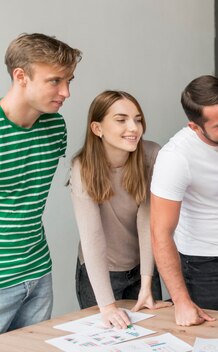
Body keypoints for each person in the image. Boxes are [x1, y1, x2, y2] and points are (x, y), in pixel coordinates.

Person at [151, 75, 218, 327]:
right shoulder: (175, 158)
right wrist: (181, 301)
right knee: (208, 338)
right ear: (195, 127)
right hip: (201, 264)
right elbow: (160, 233)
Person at [0, 33, 81, 333]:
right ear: (20, 76)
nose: (66, 92)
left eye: (69, 81)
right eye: (55, 81)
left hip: (38, 271)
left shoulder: (55, 126)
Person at [69, 91, 171, 329]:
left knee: (151, 335)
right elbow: (92, 236)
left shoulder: (151, 154)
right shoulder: (82, 168)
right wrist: (106, 306)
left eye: (137, 119)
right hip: (101, 272)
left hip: (141, 268)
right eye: (121, 119)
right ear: (97, 128)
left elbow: (148, 221)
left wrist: (147, 282)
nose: (133, 127)